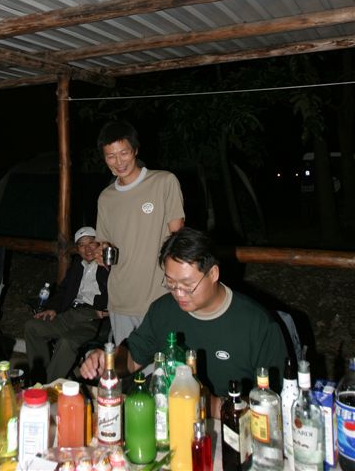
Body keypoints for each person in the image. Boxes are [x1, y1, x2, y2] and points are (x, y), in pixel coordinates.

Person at [81, 227, 288, 417]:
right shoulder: (163, 310)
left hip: (234, 429)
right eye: (171, 283)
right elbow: (132, 359)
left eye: (187, 285)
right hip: (169, 422)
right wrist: (107, 362)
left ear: (213, 273)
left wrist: (213, 405)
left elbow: (275, 404)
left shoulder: (257, 325)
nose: (178, 293)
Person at [95, 120, 185, 345]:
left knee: (164, 362)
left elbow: (179, 238)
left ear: (135, 150)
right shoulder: (106, 197)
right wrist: (100, 252)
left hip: (160, 296)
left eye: (124, 153)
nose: (119, 162)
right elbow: (103, 242)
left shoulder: (164, 181)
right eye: (111, 156)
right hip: (121, 299)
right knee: (127, 363)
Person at [24, 226, 109, 384]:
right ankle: (38, 380)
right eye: (82, 245)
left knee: (66, 342)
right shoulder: (77, 265)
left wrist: (109, 308)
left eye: (91, 243)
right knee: (32, 327)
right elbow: (63, 290)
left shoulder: (108, 266)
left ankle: (46, 388)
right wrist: (53, 308)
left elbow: (119, 290)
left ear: (99, 244)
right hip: (70, 313)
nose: (87, 249)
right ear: (77, 249)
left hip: (93, 318)